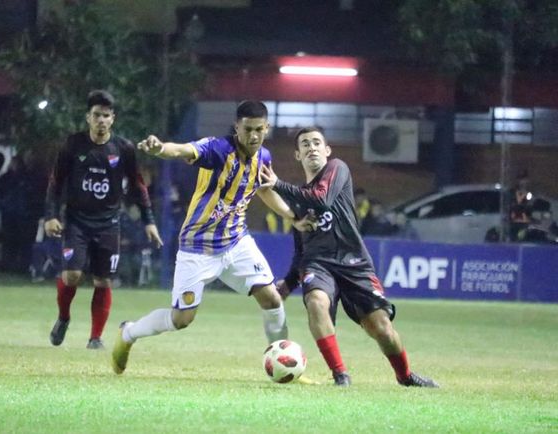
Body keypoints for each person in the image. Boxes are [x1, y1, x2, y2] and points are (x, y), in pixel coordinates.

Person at [111, 100, 314, 375]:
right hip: (198, 247)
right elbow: (184, 149)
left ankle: (284, 367)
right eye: (247, 129)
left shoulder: (263, 157)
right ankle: (129, 333)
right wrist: (161, 148)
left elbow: (264, 190)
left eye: (259, 130)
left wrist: (291, 216)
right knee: (181, 319)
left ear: (266, 128)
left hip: (236, 242)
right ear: (236, 127)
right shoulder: (218, 149)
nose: (253, 136)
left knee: (272, 299)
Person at [260, 127, 439, 388]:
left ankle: (405, 376)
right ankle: (340, 375)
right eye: (305, 144)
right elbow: (301, 246)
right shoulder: (296, 198)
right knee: (317, 302)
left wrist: (277, 184)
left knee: (381, 327)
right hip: (318, 264)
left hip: (353, 261)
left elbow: (321, 198)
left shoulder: (337, 169)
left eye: (316, 142)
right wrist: (289, 282)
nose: (311, 147)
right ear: (298, 155)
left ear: (327, 150)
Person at [44, 89, 162, 350]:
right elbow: (55, 182)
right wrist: (50, 215)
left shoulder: (124, 148)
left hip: (109, 223)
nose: (101, 120)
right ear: (88, 117)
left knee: (103, 280)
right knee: (72, 275)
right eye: (96, 115)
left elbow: (138, 185)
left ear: (113, 119)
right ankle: (64, 317)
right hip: (76, 221)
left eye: (106, 116)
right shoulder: (72, 145)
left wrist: (149, 221)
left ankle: (95, 337)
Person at [0, 155, 27, 272]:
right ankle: (7, 264)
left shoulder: (23, 177)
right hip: (10, 213)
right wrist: (3, 205)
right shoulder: (6, 178)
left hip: (19, 214)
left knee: (17, 240)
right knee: (8, 240)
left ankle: (16, 265)